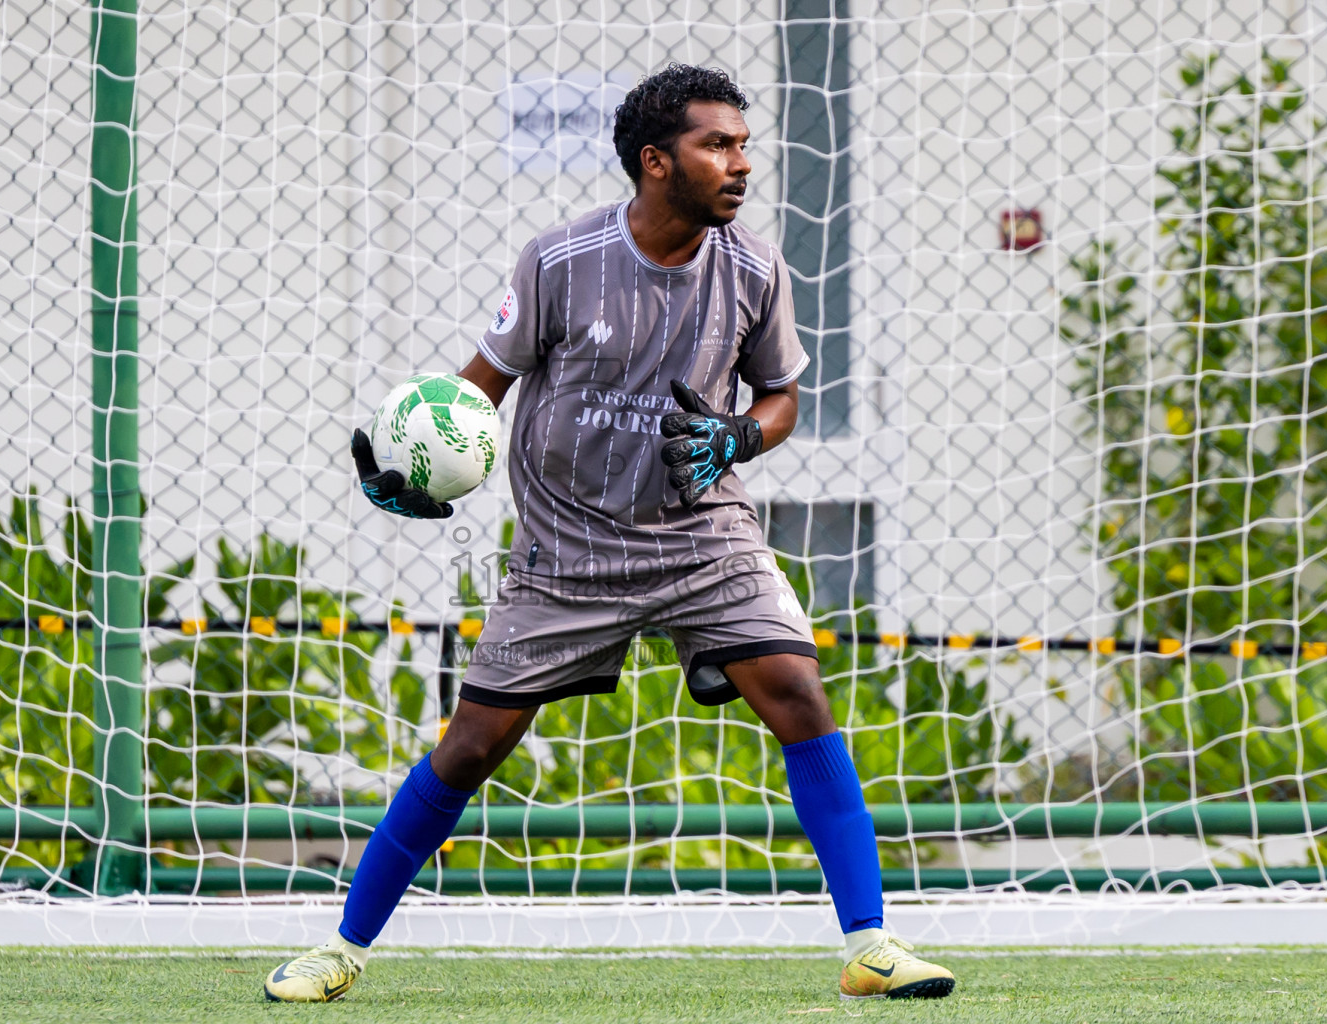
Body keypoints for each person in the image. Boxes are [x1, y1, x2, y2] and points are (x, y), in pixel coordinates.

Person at [266, 63, 955, 1004]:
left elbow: (783, 396)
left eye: (744, 144)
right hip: (568, 554)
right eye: (718, 144)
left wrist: (744, 434)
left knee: (797, 689)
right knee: (468, 748)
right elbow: (478, 390)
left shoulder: (755, 268)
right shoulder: (557, 261)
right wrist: (407, 458)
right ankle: (340, 949)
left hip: (702, 535)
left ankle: (871, 946)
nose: (742, 163)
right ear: (656, 161)